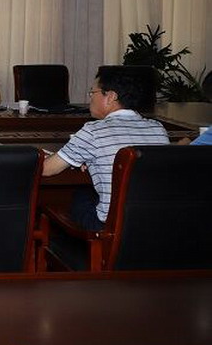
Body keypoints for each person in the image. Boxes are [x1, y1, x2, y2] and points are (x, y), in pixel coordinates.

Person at [42, 66, 169, 231]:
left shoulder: (93, 131)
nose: (90, 98)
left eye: (92, 93)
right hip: (154, 224)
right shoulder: (157, 129)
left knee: (78, 195)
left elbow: (46, 169)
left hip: (110, 227)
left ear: (111, 97)